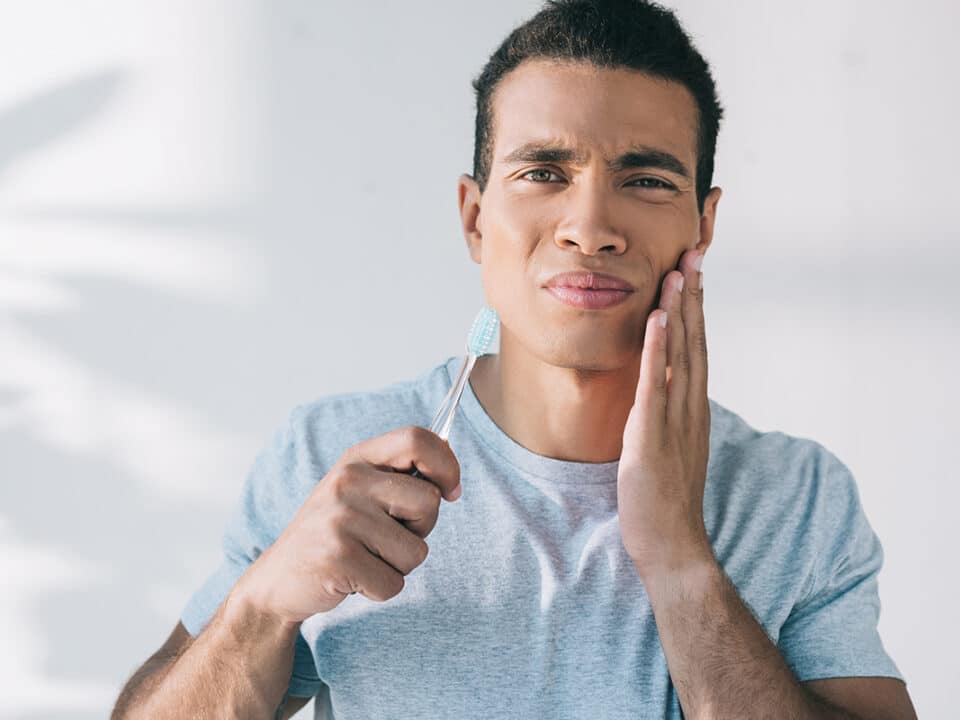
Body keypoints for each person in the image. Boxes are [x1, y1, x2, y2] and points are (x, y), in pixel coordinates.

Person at [112, 1, 917, 718]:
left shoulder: (798, 498)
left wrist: (679, 561)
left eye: (645, 179)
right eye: (543, 172)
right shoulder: (329, 459)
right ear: (473, 218)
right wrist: (262, 609)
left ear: (702, 227)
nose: (589, 225)